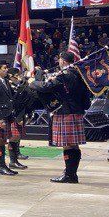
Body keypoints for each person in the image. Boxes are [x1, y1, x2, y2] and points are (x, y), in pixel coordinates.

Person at [30, 51, 91, 183]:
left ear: (63, 61)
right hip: (77, 111)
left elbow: (46, 87)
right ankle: (71, 174)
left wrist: (33, 82)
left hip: (65, 112)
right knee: (74, 146)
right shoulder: (79, 74)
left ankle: (70, 175)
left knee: (68, 146)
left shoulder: (64, 75)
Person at [0, 62, 21, 175]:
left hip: (7, 114)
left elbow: (11, 97)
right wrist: (0, 118)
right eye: (4, 68)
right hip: (0, 115)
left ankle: (4, 166)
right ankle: (1, 166)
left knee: (4, 140)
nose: (7, 70)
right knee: (0, 141)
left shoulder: (5, 81)